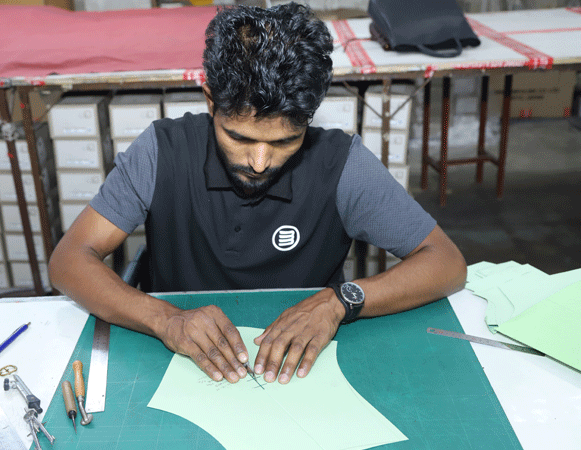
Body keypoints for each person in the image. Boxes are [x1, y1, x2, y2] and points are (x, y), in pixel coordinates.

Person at [48, 2, 466, 386]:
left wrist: (339, 302)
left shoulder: (342, 166)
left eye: (285, 141)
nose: (260, 162)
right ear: (210, 101)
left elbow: (446, 263)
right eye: (240, 138)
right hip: (178, 359)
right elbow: (70, 260)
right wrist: (165, 319)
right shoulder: (162, 152)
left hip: (304, 368)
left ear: (309, 118)